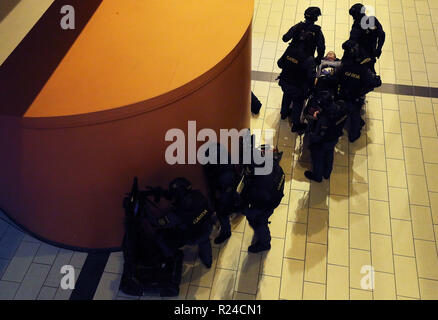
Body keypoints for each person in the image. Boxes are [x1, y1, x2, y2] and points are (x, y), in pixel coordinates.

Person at [153, 178, 214, 268]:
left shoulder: (176, 213)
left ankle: (171, 258)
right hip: (207, 228)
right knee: (204, 241)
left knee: (161, 236)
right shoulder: (198, 194)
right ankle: (208, 262)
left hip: (192, 237)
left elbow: (159, 223)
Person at [240, 142, 285, 253]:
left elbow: (255, 202)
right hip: (274, 196)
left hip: (265, 204)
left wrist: (245, 209)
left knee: (259, 222)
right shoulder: (274, 166)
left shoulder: (261, 186)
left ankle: (265, 243)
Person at [336, 42, 382, 142]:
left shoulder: (344, 66)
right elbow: (376, 82)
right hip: (355, 99)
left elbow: (334, 76)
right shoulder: (364, 71)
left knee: (337, 117)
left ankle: (336, 132)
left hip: (342, 96)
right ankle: (353, 136)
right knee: (355, 119)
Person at [303, 92, 349, 182]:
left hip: (322, 141)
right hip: (334, 137)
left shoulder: (323, 119)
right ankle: (327, 173)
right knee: (329, 154)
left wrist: (312, 141)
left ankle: (317, 176)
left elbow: (317, 134)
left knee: (318, 158)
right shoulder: (341, 107)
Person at [204, 144, 243, 244]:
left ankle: (226, 232)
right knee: (234, 198)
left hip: (224, 191)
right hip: (231, 185)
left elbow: (220, 188)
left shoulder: (220, 172)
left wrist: (219, 197)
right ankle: (241, 209)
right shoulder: (225, 155)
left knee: (222, 213)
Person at [277, 41, 316, 132]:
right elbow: (311, 77)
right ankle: (295, 124)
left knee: (286, 96)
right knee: (298, 104)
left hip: (285, 82)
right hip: (298, 87)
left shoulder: (290, 51)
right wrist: (310, 89)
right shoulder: (309, 59)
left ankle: (284, 113)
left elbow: (280, 63)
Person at [343, 3, 385, 73]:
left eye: (354, 15)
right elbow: (352, 40)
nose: (353, 17)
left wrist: (379, 48)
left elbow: (382, 34)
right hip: (357, 55)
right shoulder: (356, 24)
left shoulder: (371, 20)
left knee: (367, 73)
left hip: (368, 54)